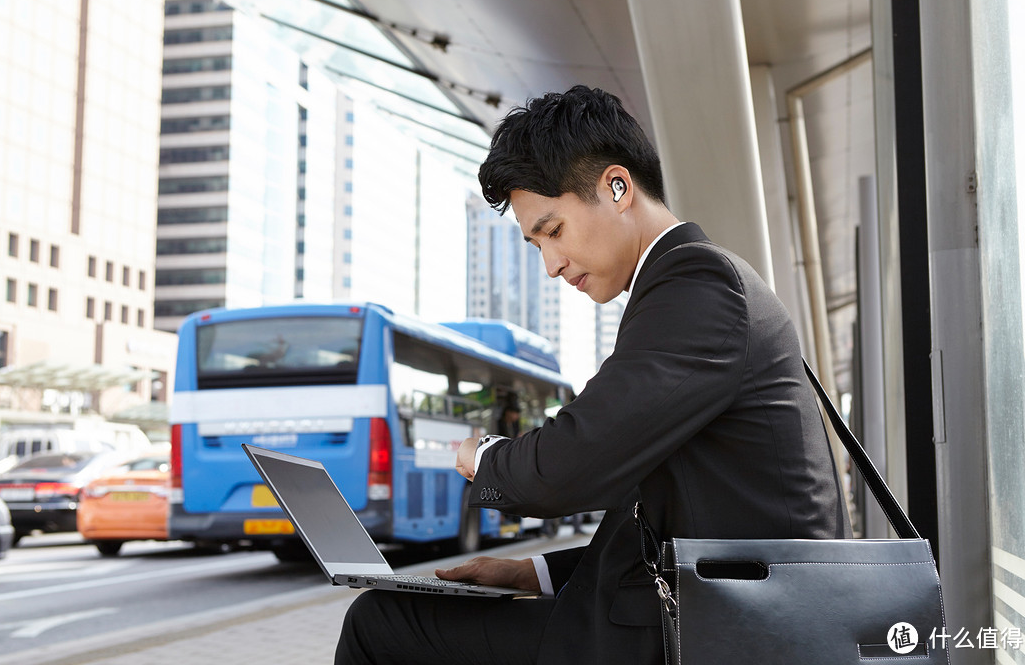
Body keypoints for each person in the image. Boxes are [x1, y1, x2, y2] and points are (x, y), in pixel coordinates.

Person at [334, 85, 849, 665]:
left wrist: (485, 456)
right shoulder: (690, 288)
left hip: (724, 634)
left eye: (552, 232)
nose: (551, 266)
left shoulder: (699, 289)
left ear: (617, 187)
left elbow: (565, 468)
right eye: (536, 244)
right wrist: (531, 571)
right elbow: (655, 520)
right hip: (709, 614)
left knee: (381, 622)